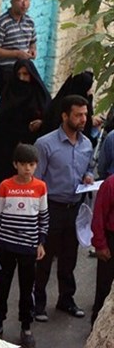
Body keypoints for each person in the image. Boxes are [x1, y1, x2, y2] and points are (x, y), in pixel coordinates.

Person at [33, 94, 96, 322]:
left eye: (85, 114)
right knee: (44, 258)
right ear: (65, 116)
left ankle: (66, 299)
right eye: (78, 115)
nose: (82, 119)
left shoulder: (87, 144)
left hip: (75, 207)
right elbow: (36, 180)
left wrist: (89, 176)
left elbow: (90, 166)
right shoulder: (45, 144)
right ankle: (37, 303)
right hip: (51, 207)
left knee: (70, 256)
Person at [0, 143, 49, 348]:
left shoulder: (40, 187)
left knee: (26, 288)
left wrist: (40, 241)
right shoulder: (5, 186)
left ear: (36, 165)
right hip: (6, 245)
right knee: (2, 286)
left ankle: (26, 327)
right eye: (23, 164)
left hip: (29, 246)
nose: (27, 169)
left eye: (31, 164)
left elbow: (43, 217)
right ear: (15, 164)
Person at [0, 59, 50, 211]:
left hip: (31, 153)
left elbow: (50, 120)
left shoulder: (40, 96)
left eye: (26, 74)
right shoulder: (9, 95)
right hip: (5, 152)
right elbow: (3, 126)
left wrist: (41, 123)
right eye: (19, 74)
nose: (22, 78)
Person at [0, 0, 37, 101]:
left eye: (27, 0)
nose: (24, 4)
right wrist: (16, 54)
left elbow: (32, 42)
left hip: (25, 65)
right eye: (20, 0)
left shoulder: (29, 22)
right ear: (12, 2)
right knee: (14, 98)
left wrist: (33, 51)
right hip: (7, 68)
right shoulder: (2, 23)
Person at [39, 71, 97, 141]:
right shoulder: (61, 108)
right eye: (88, 88)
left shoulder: (56, 103)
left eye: (85, 114)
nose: (83, 119)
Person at [90, 173, 114, 325]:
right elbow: (98, 215)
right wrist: (100, 244)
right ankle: (97, 325)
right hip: (111, 241)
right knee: (105, 288)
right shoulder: (110, 184)